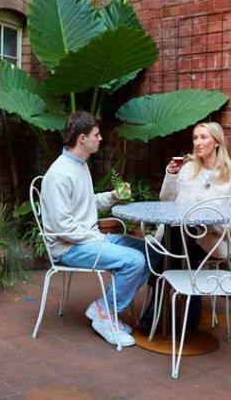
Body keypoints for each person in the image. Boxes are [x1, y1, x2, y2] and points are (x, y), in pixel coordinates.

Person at [40, 111, 148, 348]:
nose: (100, 139)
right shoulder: (59, 175)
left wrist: (112, 196)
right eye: (96, 135)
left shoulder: (79, 165)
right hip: (69, 248)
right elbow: (63, 228)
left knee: (148, 252)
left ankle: (103, 308)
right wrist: (100, 240)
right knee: (134, 261)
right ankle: (106, 314)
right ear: (82, 138)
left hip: (88, 239)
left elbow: (87, 202)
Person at [160, 121, 231, 259]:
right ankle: (172, 278)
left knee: (178, 236)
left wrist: (218, 227)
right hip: (176, 232)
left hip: (212, 241)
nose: (198, 142)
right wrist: (172, 175)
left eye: (203, 137)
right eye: (195, 138)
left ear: (216, 142)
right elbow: (166, 200)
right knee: (177, 233)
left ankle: (163, 279)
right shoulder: (187, 169)